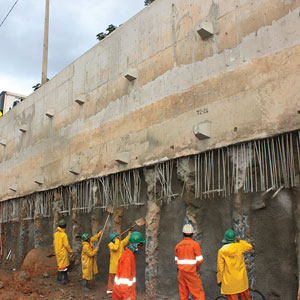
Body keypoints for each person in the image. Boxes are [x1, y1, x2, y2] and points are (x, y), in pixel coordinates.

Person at [217, 229, 253, 300]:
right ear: (234, 238)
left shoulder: (222, 250)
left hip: (229, 280)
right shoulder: (239, 246)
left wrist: (219, 280)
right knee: (245, 297)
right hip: (241, 279)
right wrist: (240, 240)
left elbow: (220, 268)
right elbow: (249, 247)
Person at [175, 224, 205, 300]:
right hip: (191, 273)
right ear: (192, 234)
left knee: (183, 295)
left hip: (181, 273)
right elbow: (200, 260)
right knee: (199, 294)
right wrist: (196, 267)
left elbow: (176, 261)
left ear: (183, 233)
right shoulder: (195, 245)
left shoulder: (178, 246)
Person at [112, 231, 145, 300]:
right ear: (135, 245)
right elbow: (123, 282)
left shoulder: (130, 255)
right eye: (141, 245)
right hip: (122, 295)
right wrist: (127, 297)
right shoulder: (127, 258)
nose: (141, 248)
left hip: (125, 294)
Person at [53, 219, 73, 284]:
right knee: (62, 266)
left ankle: (66, 278)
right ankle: (59, 279)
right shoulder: (64, 235)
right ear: (65, 226)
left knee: (64, 266)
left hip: (57, 252)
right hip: (63, 252)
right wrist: (70, 251)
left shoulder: (56, 234)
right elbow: (66, 245)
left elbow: (54, 243)